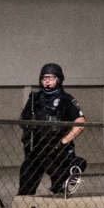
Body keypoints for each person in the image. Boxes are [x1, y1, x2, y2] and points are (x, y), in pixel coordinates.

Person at [18, 62, 86, 196]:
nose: (47, 81)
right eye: (44, 78)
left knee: (59, 190)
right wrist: (28, 125)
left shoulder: (66, 99)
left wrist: (64, 141)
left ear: (58, 79)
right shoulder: (34, 99)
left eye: (51, 78)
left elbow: (80, 122)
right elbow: (23, 119)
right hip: (35, 149)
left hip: (57, 149)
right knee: (25, 190)